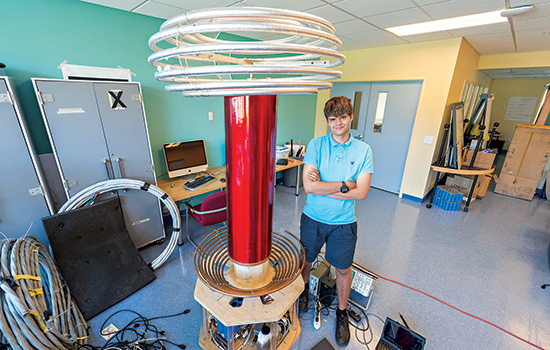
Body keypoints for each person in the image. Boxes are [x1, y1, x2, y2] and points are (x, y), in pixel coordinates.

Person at [299, 96, 373, 346]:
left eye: (342, 117)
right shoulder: (316, 145)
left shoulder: (363, 150)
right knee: (306, 260)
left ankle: (341, 313)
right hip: (313, 218)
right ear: (327, 121)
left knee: (343, 269)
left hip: (344, 222)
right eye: (332, 119)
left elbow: (362, 192)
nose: (338, 123)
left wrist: (324, 187)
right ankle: (303, 292)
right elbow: (309, 186)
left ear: (350, 117)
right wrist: (344, 186)